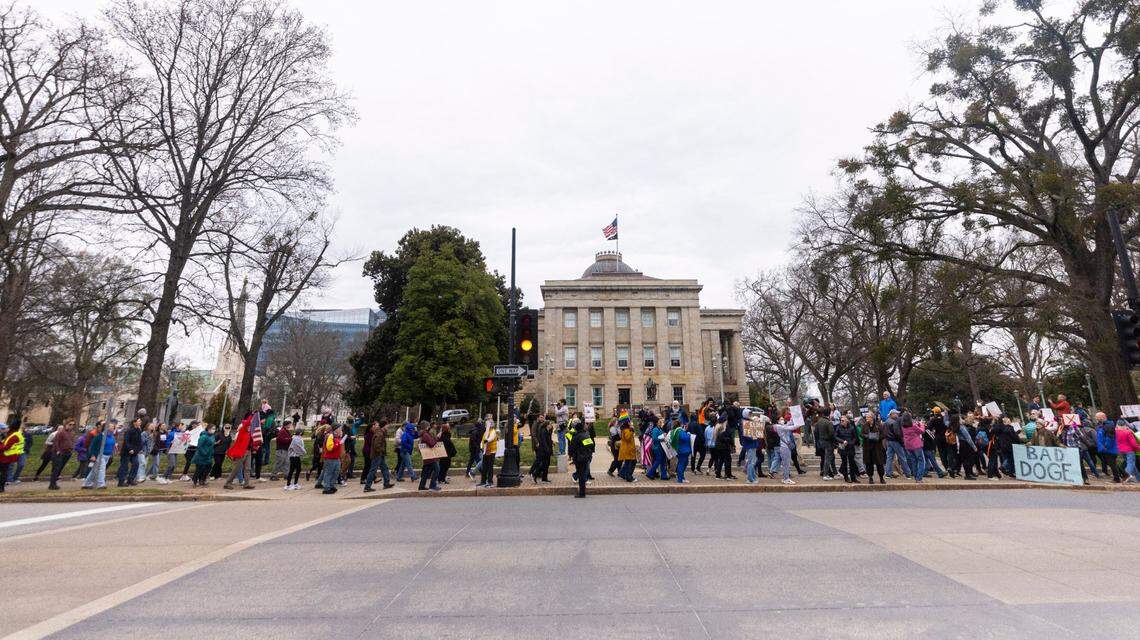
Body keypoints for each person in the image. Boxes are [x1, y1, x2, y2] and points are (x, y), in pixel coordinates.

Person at [82, 422, 115, 490]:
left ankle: (87, 484)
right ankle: (101, 484)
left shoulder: (112, 437)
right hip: (100, 455)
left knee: (94, 470)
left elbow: (111, 445)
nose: (112, 428)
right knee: (101, 470)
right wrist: (93, 455)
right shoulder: (99, 436)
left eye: (113, 426)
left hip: (107, 456)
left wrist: (112, 453)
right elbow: (93, 447)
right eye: (110, 426)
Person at [223, 418, 255, 490]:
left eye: (250, 426)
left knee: (248, 468)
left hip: (248, 451)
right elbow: (247, 423)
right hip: (241, 452)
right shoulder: (242, 432)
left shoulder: (249, 433)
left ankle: (246, 484)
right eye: (248, 426)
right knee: (236, 469)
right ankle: (227, 483)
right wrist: (252, 415)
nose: (249, 428)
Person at [567, 417, 594, 498]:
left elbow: (571, 448)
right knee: (583, 475)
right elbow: (590, 445)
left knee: (581, 476)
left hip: (579, 458)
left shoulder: (576, 436)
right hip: (586, 457)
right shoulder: (586, 434)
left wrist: (571, 456)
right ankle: (583, 492)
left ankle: (582, 493)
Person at [363, 421, 392, 492]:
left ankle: (386, 483)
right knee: (373, 470)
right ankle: (367, 487)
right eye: (387, 426)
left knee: (384, 468)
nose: (388, 427)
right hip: (377, 455)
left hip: (379, 455)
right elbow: (376, 446)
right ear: (384, 426)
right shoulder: (380, 434)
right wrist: (381, 451)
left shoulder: (380, 432)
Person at [46, 421, 76, 490]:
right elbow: (56, 442)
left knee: (59, 468)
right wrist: (58, 450)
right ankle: (52, 485)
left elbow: (73, 441)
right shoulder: (60, 433)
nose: (71, 426)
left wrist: (72, 448)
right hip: (59, 453)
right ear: (66, 425)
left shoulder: (71, 433)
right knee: (56, 468)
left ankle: (54, 483)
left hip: (67, 452)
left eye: (73, 425)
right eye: (70, 424)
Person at [1095, 414, 1122, 483]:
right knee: (1112, 463)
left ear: (1103, 417)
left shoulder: (1108, 425)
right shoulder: (1103, 425)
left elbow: (1110, 437)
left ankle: (1117, 479)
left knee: (1112, 463)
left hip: (1109, 448)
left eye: (1097, 418)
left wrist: (1106, 446)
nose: (1096, 419)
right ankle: (1124, 474)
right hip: (1106, 448)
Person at [116, 418, 143, 487]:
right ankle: (121, 482)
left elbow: (139, 442)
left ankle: (130, 479)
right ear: (134, 423)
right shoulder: (129, 430)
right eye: (139, 421)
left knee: (136, 464)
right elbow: (126, 441)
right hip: (126, 451)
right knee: (124, 466)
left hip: (134, 452)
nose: (140, 422)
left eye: (140, 421)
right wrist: (130, 449)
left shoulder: (139, 430)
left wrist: (138, 449)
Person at [318, 424, 344, 494]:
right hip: (330, 458)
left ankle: (331, 486)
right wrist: (338, 444)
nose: (341, 429)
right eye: (340, 428)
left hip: (336, 458)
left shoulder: (336, 436)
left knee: (336, 472)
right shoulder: (330, 436)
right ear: (336, 429)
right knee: (328, 473)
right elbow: (329, 448)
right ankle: (326, 488)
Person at [884, 410, 911, 478]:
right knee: (902, 457)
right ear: (892, 414)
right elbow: (897, 433)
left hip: (889, 441)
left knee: (889, 458)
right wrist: (902, 442)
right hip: (895, 441)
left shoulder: (886, 421)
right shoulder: (894, 422)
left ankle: (888, 473)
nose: (897, 415)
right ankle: (908, 473)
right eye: (896, 414)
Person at [861, 413, 886, 484]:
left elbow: (883, 434)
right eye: (866, 417)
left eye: (868, 417)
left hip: (877, 447)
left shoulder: (878, 425)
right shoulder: (864, 425)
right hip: (868, 447)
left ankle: (881, 477)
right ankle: (870, 477)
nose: (867, 419)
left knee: (879, 463)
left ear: (872, 418)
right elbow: (861, 434)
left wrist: (878, 438)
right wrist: (867, 436)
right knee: (869, 463)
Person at [417, 422, 442, 492]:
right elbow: (431, 444)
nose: (429, 427)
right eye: (428, 426)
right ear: (426, 427)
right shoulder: (425, 435)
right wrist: (437, 438)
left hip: (426, 456)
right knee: (437, 469)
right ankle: (432, 485)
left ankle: (421, 486)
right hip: (430, 456)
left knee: (426, 472)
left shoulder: (423, 434)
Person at [901, 413, 926, 483]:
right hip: (916, 445)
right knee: (921, 461)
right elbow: (921, 431)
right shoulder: (913, 426)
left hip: (908, 446)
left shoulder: (903, 426)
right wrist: (921, 424)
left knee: (914, 461)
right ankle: (919, 478)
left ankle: (916, 476)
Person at [834, 415, 859, 483]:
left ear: (847, 421)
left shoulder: (851, 427)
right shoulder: (838, 427)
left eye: (843, 421)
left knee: (852, 462)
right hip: (843, 447)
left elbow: (855, 437)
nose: (841, 422)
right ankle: (846, 477)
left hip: (850, 447)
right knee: (844, 463)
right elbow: (835, 436)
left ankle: (853, 477)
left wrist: (852, 443)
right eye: (840, 420)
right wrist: (842, 441)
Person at [0, 423, 22, 492]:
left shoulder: (8, 436)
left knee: (4, 472)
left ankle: (1, 487)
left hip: (5, 457)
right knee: (3, 472)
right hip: (4, 456)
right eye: (3, 429)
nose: (5, 430)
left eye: (5, 428)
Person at [1116, 419, 1139, 483]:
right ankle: (1127, 476)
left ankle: (1138, 479)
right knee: (1130, 464)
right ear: (1125, 425)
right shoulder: (1128, 432)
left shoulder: (1116, 432)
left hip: (1120, 450)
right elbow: (1133, 444)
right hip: (1129, 450)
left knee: (1132, 466)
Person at [814, 413, 836, 480]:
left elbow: (815, 432)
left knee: (830, 457)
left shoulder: (819, 422)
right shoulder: (828, 422)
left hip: (822, 442)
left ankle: (834, 472)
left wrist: (819, 439)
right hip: (828, 442)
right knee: (827, 458)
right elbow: (832, 434)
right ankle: (825, 474)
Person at [530, 419, 552, 483]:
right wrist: (547, 449)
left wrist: (551, 444)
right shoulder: (543, 431)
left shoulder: (548, 431)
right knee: (543, 464)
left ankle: (544, 478)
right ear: (547, 425)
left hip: (547, 450)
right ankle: (535, 474)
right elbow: (544, 442)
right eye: (550, 424)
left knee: (546, 464)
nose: (551, 425)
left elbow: (548, 440)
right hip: (543, 451)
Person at [479, 419, 499, 488]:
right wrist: (481, 446)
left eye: (487, 424)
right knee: (484, 467)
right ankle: (483, 481)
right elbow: (482, 439)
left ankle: (490, 481)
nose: (486, 425)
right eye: (486, 424)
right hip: (485, 451)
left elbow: (490, 438)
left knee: (490, 467)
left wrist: (486, 440)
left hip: (491, 451)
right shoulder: (486, 432)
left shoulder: (493, 431)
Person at [286, 425, 307, 490]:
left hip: (295, 456)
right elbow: (298, 447)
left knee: (295, 470)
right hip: (294, 456)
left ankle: (293, 484)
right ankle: (290, 484)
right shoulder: (296, 439)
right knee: (294, 470)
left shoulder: (296, 438)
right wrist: (304, 452)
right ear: (300, 433)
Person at [671, 418, 691, 484]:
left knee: (683, 463)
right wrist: (688, 434)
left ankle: (682, 478)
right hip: (683, 450)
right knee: (682, 464)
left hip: (681, 450)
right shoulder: (680, 431)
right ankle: (680, 479)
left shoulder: (675, 430)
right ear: (681, 424)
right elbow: (684, 438)